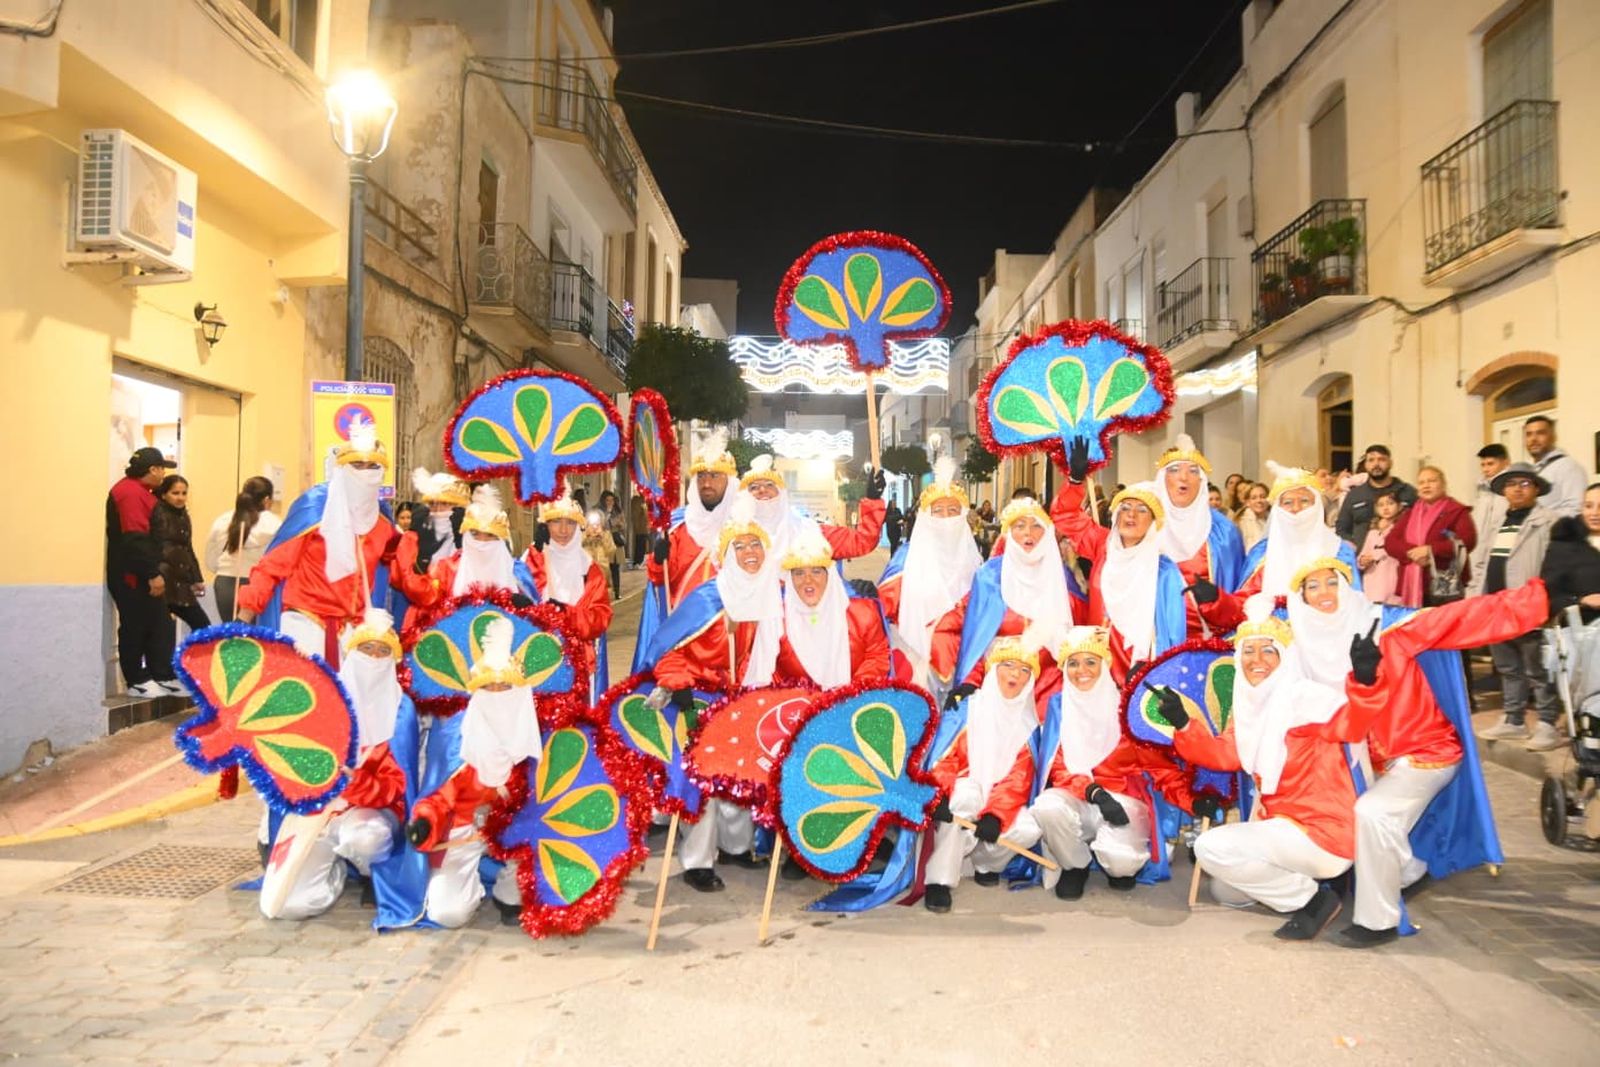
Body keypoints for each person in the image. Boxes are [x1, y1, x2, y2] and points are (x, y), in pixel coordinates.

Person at [1286, 559, 1547, 947]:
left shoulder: (1385, 627)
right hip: (1369, 761)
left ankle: (1378, 921)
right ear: (1302, 598)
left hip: (1424, 750)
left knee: (1373, 812)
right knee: (1337, 809)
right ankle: (1409, 870)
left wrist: (1538, 599)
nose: (1325, 593)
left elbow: (1460, 618)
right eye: (1313, 586)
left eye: (1332, 582)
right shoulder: (1302, 647)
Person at [1163, 596, 1355, 941]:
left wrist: (1366, 684)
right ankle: (1316, 885)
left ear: (1286, 657)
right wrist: (1183, 723)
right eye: (1248, 651)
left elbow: (1352, 722)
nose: (1257, 660)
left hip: (1321, 831)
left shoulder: (1307, 699)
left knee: (1210, 848)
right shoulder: (1249, 707)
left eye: (1268, 650)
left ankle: (1313, 900)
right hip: (1281, 827)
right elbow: (1225, 755)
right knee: (1226, 891)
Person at [986, 626, 1202, 900]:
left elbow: (1160, 769)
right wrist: (1094, 792)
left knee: (1121, 864)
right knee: (1047, 807)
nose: (1082, 670)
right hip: (1081, 795)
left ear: (1104, 665)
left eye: (1090, 661)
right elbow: (1058, 767)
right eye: (1073, 663)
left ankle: (1118, 863)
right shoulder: (1059, 706)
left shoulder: (1126, 708)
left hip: (1123, 801)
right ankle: (1075, 865)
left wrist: (1193, 801)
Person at [643, 494, 781, 890]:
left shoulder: (774, 595)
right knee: (702, 777)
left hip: (749, 698)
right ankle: (698, 859)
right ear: (726, 554)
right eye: (740, 546)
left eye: (755, 544)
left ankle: (736, 846)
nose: (749, 552)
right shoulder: (708, 598)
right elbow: (664, 650)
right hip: (701, 697)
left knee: (743, 772)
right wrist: (679, 685)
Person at [262, 608, 411, 920]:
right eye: (366, 648)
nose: (373, 657)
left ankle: (373, 874)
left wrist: (355, 782)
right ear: (352, 653)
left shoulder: (401, 709)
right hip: (320, 814)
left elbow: (398, 786)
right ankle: (335, 872)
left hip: (371, 814)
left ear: (393, 659)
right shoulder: (323, 703)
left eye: (382, 651)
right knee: (292, 906)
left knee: (365, 839)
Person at [406, 617, 540, 928]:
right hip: (465, 831)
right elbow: (441, 799)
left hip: (516, 835)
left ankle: (510, 892)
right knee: (447, 913)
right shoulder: (461, 742)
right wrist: (425, 821)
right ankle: (470, 886)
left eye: (504, 687)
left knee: (530, 863)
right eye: (488, 688)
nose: (497, 695)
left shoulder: (534, 748)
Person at [237, 420, 396, 664]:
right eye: (357, 465)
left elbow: (396, 576)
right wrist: (242, 620)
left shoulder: (383, 521)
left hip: (354, 632)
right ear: (342, 468)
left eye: (372, 466)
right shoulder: (315, 507)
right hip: (304, 625)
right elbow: (273, 566)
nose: (365, 473)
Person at [923, 636, 1046, 914]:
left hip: (995, 803)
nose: (1016, 674)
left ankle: (985, 863)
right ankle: (940, 880)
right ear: (993, 669)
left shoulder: (1029, 725)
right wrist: (941, 793)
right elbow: (945, 758)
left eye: (1025, 669)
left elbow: (1017, 780)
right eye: (1008, 665)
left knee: (1030, 828)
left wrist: (995, 815)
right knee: (966, 795)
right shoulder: (966, 708)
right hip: (962, 797)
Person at [1050, 463, 1204, 680]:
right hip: (1097, 664)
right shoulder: (1102, 546)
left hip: (1138, 667)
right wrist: (1075, 481)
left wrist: (1160, 671)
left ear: (1153, 522)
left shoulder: (1163, 569)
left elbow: (1173, 631)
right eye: (1125, 507)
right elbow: (1064, 515)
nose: (1131, 514)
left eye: (1142, 510)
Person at [931, 495, 1082, 707]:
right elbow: (971, 637)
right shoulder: (989, 577)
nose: (1028, 533)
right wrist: (969, 681)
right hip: (997, 686)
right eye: (1020, 526)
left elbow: (1082, 640)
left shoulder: (1063, 580)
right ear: (1009, 533)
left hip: (1051, 688)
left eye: (1036, 526)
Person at [1470, 463, 1561, 750]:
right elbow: (1482, 561)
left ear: (1536, 488)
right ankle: (1514, 719)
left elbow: (1555, 566)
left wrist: (1546, 601)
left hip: (1528, 605)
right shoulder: (1498, 522)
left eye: (1525, 484)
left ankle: (1547, 723)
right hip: (1497, 605)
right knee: (1508, 666)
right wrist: (1477, 597)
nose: (1517, 489)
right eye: (1511, 484)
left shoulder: (1548, 521)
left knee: (1537, 668)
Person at [879, 457, 984, 690]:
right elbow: (879, 616)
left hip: (967, 671)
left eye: (953, 510)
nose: (946, 518)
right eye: (938, 511)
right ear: (926, 516)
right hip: (913, 669)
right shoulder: (905, 561)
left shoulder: (977, 564)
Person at [1144, 434, 1247, 635]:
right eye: (1174, 470)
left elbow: (1238, 600)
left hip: (1210, 642)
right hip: (1154, 641)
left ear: (1202, 481)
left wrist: (1217, 600)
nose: (1184, 477)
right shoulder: (1144, 524)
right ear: (1163, 478)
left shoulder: (1224, 532)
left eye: (1193, 471)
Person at [523, 488, 614, 700]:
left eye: (570, 523)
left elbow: (600, 617)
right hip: (536, 664)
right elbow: (516, 599)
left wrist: (567, 614)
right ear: (546, 525)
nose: (563, 530)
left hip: (577, 667)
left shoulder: (590, 570)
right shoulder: (532, 560)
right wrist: (535, 554)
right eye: (556, 522)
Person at [106, 446, 181, 698]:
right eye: (162, 469)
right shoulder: (129, 493)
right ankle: (136, 680)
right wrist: (151, 573)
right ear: (153, 469)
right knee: (135, 625)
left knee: (159, 624)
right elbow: (135, 538)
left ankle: (161, 675)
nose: (163, 475)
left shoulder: (142, 492)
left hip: (146, 571)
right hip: (132, 574)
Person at [775, 533, 891, 687]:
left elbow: (877, 657)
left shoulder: (863, 614)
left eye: (816, 571)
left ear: (830, 576)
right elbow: (768, 671)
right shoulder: (776, 622)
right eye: (799, 573)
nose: (807, 580)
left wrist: (851, 693)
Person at [1237, 463, 1359, 598]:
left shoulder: (1340, 551)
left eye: (1305, 500)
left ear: (1317, 505)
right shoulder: (1261, 553)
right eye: (1288, 502)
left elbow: (1354, 601)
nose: (1296, 508)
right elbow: (1243, 601)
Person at [740, 453, 886, 564]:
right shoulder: (733, 537)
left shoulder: (808, 531)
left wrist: (873, 501)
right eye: (754, 487)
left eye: (769, 485)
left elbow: (861, 541)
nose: (762, 490)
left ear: (781, 493)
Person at [1383, 466, 1475, 608]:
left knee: (1445, 621)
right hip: (1413, 581)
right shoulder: (1410, 513)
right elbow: (1390, 542)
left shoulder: (1456, 510)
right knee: (1416, 621)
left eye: (1432, 481)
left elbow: (1467, 541)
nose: (1426, 485)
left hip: (1445, 583)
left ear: (1443, 484)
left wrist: (1430, 550)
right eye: (1421, 482)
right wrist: (1413, 553)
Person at [204, 476, 280, 623]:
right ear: (267, 500)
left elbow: (211, 559)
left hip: (224, 582)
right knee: (256, 634)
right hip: (256, 585)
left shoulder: (223, 520)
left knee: (232, 632)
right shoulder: (272, 523)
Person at [150, 474, 211, 637]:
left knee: (203, 626)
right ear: (164, 494)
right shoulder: (158, 514)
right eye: (175, 493)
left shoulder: (183, 516)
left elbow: (187, 548)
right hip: (164, 578)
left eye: (184, 493)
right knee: (163, 632)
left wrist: (196, 577)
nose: (180, 498)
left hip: (181, 581)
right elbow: (155, 546)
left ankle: (193, 653)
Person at [1336, 445, 1417, 549]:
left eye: (1381, 459)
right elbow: (1342, 528)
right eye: (1371, 460)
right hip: (1361, 556)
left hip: (1398, 555)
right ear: (1365, 465)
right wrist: (1353, 548)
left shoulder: (1407, 491)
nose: (1376, 464)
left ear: (1390, 463)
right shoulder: (1355, 495)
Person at [1542, 483, 1600, 625]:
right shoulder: (1563, 544)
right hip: (1582, 631)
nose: (1594, 513)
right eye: (1588, 506)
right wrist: (1581, 600)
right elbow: (1550, 597)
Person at [1524, 416, 1588, 516]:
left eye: (1540, 433)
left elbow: (1576, 509)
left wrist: (1541, 520)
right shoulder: (1526, 468)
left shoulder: (1569, 467)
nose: (1533, 439)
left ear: (1553, 437)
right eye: (1529, 434)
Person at [1357, 490, 1404, 606]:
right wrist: (1363, 561)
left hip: (1392, 580)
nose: (1386, 508)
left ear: (1399, 506)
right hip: (1373, 583)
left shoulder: (1402, 529)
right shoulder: (1372, 533)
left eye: (1390, 503)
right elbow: (1363, 555)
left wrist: (1386, 530)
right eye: (1381, 505)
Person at [1473, 444, 1511, 540]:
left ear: (1505, 463)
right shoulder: (1482, 488)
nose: (1485, 469)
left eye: (1490, 464)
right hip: (1480, 543)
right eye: (1483, 465)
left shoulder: (1511, 488)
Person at [583, 509, 621, 600]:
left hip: (603, 571)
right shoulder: (583, 535)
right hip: (587, 572)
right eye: (592, 524)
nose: (595, 527)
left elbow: (611, 550)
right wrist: (587, 536)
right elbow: (577, 549)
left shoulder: (606, 535)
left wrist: (602, 538)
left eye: (597, 524)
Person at [599, 490, 625, 594]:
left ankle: (617, 591)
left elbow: (623, 525)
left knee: (615, 567)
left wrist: (619, 524)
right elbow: (602, 525)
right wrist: (612, 520)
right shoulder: (600, 511)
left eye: (612, 500)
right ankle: (603, 590)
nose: (610, 502)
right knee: (605, 567)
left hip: (616, 541)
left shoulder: (618, 511)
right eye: (608, 500)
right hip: (605, 542)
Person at [1235, 481, 1270, 552]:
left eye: (1263, 497)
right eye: (1254, 498)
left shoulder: (1273, 520)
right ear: (1247, 502)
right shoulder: (1242, 523)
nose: (1259, 501)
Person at [629, 492, 649, 568]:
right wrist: (637, 527)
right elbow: (636, 515)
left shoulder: (644, 501)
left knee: (642, 545)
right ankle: (638, 561)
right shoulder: (638, 501)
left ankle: (640, 561)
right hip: (641, 528)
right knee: (640, 544)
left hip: (644, 528)